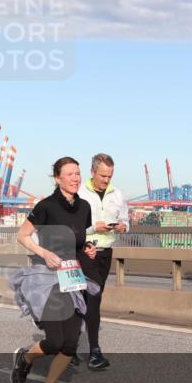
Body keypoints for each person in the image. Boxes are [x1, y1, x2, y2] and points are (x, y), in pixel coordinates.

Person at [10, 157, 98, 383]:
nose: (75, 178)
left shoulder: (84, 207)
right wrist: (44, 253)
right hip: (47, 281)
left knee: (70, 344)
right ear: (57, 178)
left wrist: (88, 249)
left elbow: (78, 242)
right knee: (54, 342)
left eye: (78, 173)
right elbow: (22, 235)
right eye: (69, 174)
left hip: (72, 279)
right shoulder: (46, 206)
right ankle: (25, 359)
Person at [76, 153, 128, 370]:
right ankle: (94, 352)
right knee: (93, 295)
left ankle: (67, 345)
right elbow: (72, 227)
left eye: (110, 176)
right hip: (84, 250)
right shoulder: (79, 192)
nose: (107, 180)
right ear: (92, 172)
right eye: (103, 176)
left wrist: (124, 226)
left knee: (87, 299)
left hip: (106, 252)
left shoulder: (117, 194)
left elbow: (125, 218)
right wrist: (92, 228)